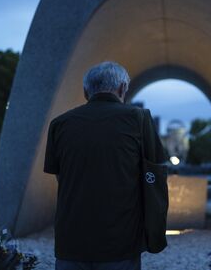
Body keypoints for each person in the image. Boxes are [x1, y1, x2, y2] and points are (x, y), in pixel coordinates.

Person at [44, 61, 167, 270]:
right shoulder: (139, 119)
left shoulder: (59, 124)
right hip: (120, 239)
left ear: (85, 91)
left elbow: (60, 177)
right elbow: (154, 174)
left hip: (71, 239)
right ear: (122, 88)